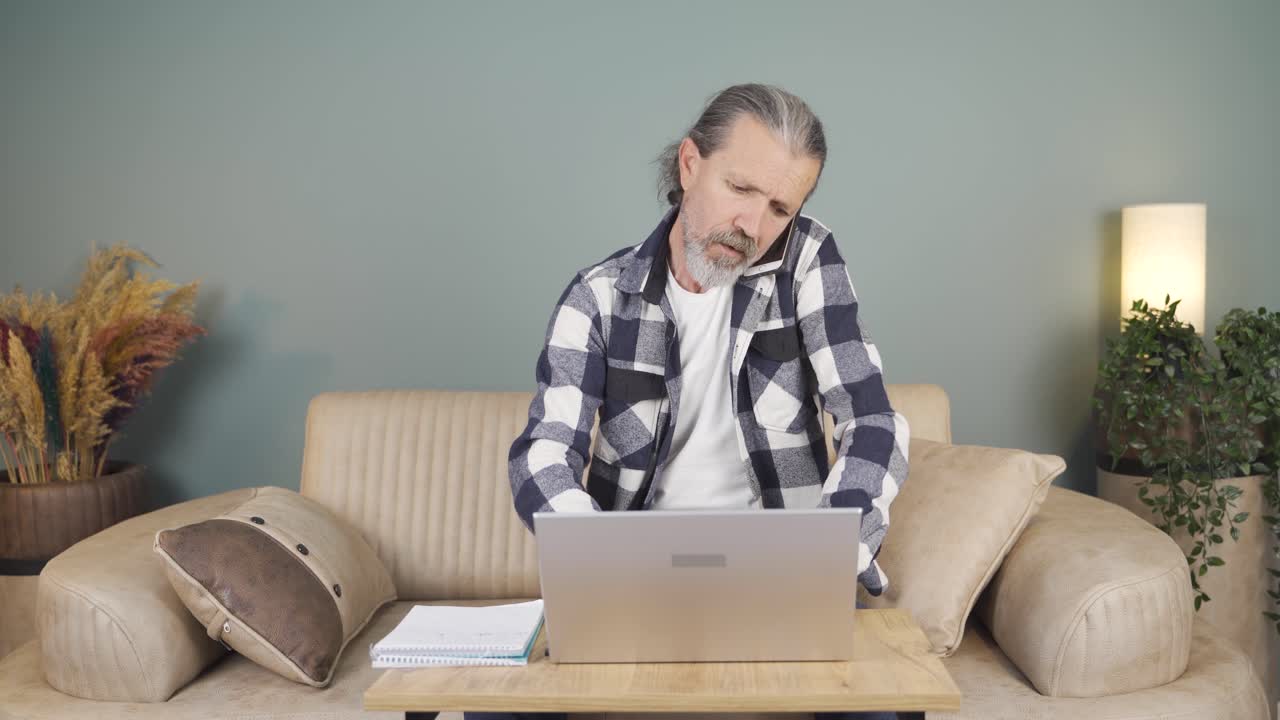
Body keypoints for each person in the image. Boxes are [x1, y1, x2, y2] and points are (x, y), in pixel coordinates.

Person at [485, 84, 911, 720]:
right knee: (488, 710)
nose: (752, 227)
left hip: (784, 589)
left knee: (884, 712)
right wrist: (594, 555)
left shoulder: (808, 262)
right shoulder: (597, 298)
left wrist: (832, 554)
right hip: (633, 591)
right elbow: (543, 453)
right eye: (740, 190)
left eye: (778, 208)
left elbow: (872, 423)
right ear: (690, 165)